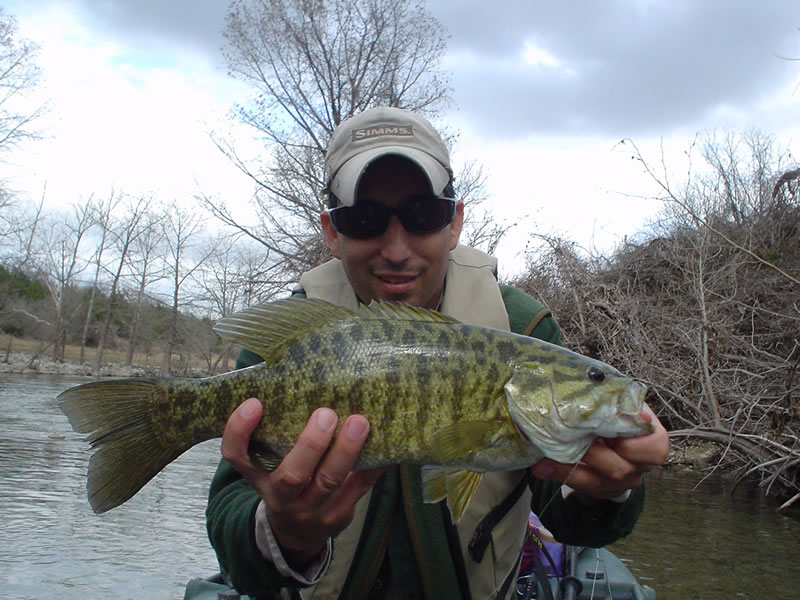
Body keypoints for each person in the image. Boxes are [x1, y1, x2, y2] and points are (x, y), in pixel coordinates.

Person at [204, 107, 669, 599]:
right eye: (365, 219)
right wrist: (285, 533)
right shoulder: (293, 342)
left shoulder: (522, 326)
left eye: (423, 214)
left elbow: (575, 522)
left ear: (454, 222)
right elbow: (231, 515)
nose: (397, 248)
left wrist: (613, 487)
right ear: (332, 232)